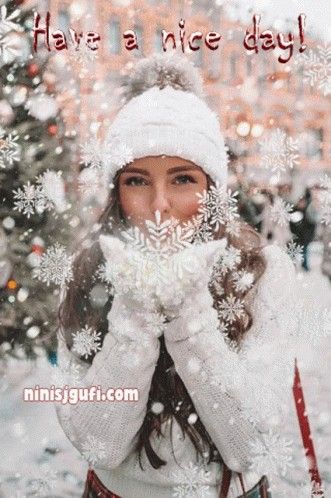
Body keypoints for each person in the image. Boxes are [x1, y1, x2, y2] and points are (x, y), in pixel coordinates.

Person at [55, 53, 300, 498]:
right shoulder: (88, 270)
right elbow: (99, 443)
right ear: (116, 191)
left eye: (183, 179)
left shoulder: (262, 271)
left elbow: (248, 445)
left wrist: (190, 312)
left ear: (211, 189)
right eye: (137, 181)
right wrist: (135, 313)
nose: (160, 204)